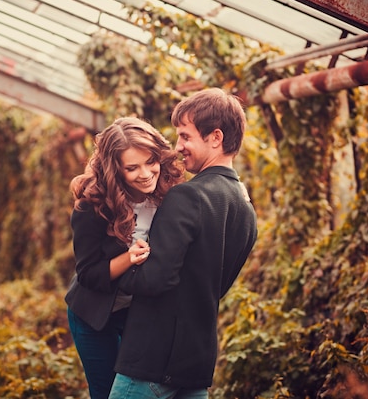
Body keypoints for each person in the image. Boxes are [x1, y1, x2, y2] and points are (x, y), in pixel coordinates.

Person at [108, 88, 258, 399]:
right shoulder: (246, 208)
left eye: (185, 136)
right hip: (196, 363)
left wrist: (117, 267)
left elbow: (155, 279)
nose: (178, 147)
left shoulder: (188, 195)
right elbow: (216, 286)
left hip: (151, 359)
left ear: (215, 137)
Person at [65, 117, 185, 399]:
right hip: (95, 317)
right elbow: (88, 274)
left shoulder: (171, 194)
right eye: (132, 168)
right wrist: (128, 258)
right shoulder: (91, 206)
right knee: (107, 392)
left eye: (150, 162)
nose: (145, 174)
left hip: (141, 314)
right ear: (114, 169)